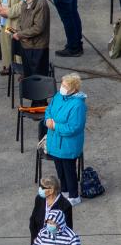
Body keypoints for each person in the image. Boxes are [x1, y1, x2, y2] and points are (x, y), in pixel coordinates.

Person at [43, 72, 87, 205]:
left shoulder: (78, 105)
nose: (62, 87)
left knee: (69, 171)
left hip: (68, 145)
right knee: (60, 170)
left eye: (65, 86)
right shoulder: (58, 96)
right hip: (55, 142)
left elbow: (74, 127)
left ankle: (74, 196)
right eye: (62, 84)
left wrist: (55, 126)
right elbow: (49, 110)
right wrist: (48, 119)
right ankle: (65, 191)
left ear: (74, 89)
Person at [9, 0, 50, 77]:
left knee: (36, 76)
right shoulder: (25, 2)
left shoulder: (41, 4)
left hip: (36, 47)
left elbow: (38, 28)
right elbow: (21, 20)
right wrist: (18, 32)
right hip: (25, 44)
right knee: (27, 74)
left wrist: (20, 34)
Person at [28, 174, 72, 245]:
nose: (40, 189)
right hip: (38, 242)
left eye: (43, 187)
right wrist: (35, 237)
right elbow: (33, 220)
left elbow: (67, 229)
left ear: (51, 190)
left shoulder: (65, 206)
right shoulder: (39, 199)